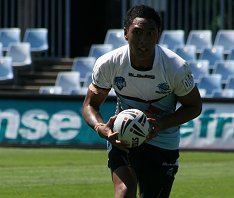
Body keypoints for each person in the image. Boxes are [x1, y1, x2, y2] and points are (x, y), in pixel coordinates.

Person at [82, 4, 202, 198]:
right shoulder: (109, 63)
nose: (143, 41)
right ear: (125, 34)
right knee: (124, 190)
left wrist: (162, 124)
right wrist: (102, 129)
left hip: (162, 140)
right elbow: (89, 105)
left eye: (150, 33)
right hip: (122, 137)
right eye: (137, 33)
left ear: (158, 35)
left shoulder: (175, 67)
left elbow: (194, 106)